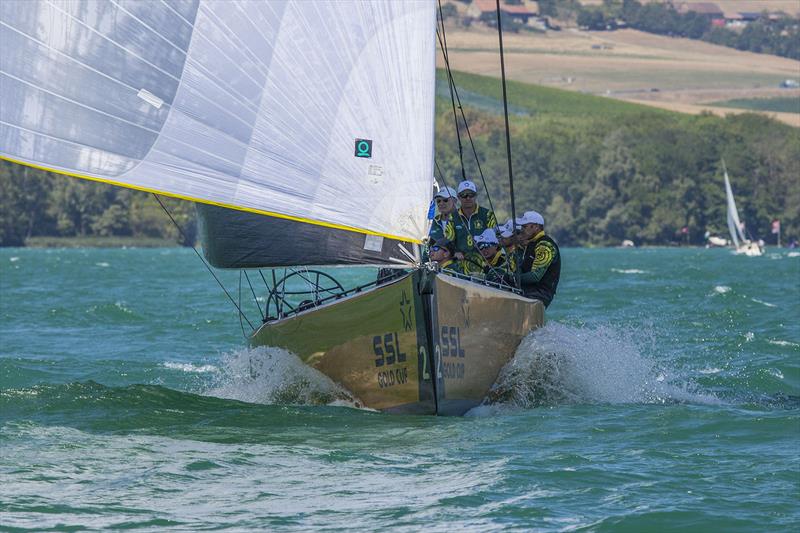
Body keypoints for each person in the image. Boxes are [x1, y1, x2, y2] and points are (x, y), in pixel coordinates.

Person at [516, 211, 560, 307]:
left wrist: (512, 278)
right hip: (526, 290)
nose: (522, 230)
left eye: (524, 226)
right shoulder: (531, 244)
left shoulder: (545, 245)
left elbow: (535, 276)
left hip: (540, 294)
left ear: (536, 227)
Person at [453, 180, 497, 261]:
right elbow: (449, 240)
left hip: (484, 260)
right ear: (458, 197)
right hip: (461, 261)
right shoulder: (452, 217)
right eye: (464, 195)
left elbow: (495, 238)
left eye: (471, 195)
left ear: (476, 196)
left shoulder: (488, 214)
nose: (468, 198)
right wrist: (454, 252)